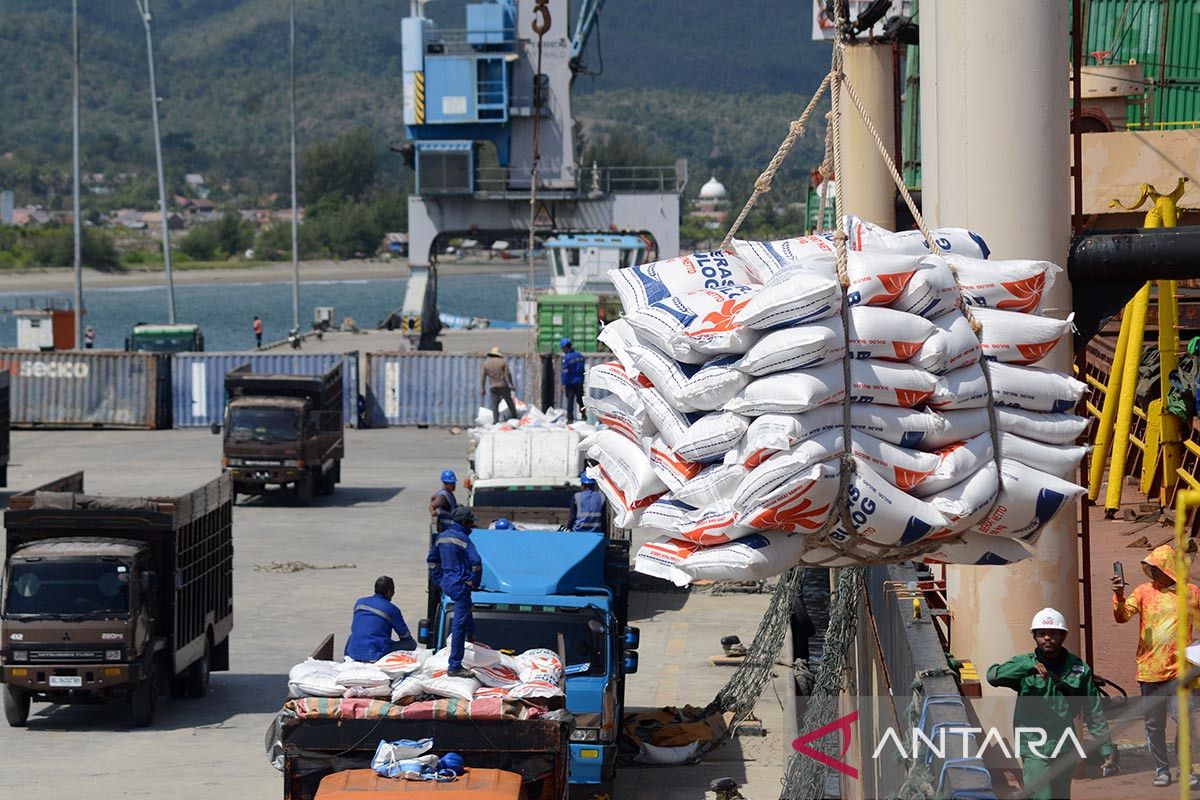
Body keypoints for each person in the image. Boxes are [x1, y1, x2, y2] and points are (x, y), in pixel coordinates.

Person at [987, 607, 1117, 800]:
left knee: (1060, 796)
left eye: (1053, 633)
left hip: (1063, 744)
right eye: (1041, 634)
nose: (1047, 638)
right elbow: (993, 675)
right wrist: (1026, 668)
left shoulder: (1078, 668)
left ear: (1063, 636)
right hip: (1033, 744)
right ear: (1035, 637)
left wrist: (1106, 747)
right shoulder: (1024, 664)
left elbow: (1093, 709)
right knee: (1042, 795)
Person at [1113, 543, 1200, 788]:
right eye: (1150, 568)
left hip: (1180, 672)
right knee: (1154, 725)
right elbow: (1121, 617)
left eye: (1157, 568)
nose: (1153, 573)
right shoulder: (1142, 592)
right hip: (1149, 671)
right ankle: (1162, 770)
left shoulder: (1191, 592)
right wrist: (1118, 595)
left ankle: (1186, 769)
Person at [427, 506, 482, 678]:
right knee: (458, 625)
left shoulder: (441, 538)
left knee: (466, 613)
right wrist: (474, 582)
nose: (472, 526)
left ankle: (471, 634)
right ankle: (455, 665)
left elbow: (432, 560)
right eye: (471, 522)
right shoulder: (464, 539)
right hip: (461, 585)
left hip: (448, 584)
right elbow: (477, 563)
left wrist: (438, 581)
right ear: (465, 522)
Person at [344, 576, 416, 662]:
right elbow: (405, 635)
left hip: (354, 653)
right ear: (389, 592)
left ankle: (346, 657)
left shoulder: (360, 602)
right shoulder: (392, 609)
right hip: (375, 654)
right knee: (411, 644)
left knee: (353, 635)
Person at [481, 346, 517, 423]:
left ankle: (495, 421)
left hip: (493, 387)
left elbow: (483, 377)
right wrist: (511, 384)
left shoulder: (486, 364)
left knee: (495, 405)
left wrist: (482, 388)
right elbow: (508, 374)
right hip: (503, 385)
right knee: (509, 402)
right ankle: (515, 417)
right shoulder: (502, 362)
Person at [560, 338, 586, 423]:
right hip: (579, 382)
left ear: (566, 347)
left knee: (570, 401)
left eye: (563, 348)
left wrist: (563, 384)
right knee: (580, 400)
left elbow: (565, 372)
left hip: (570, 383)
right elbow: (582, 370)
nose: (563, 350)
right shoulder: (580, 356)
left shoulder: (566, 358)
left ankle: (570, 419)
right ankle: (584, 415)